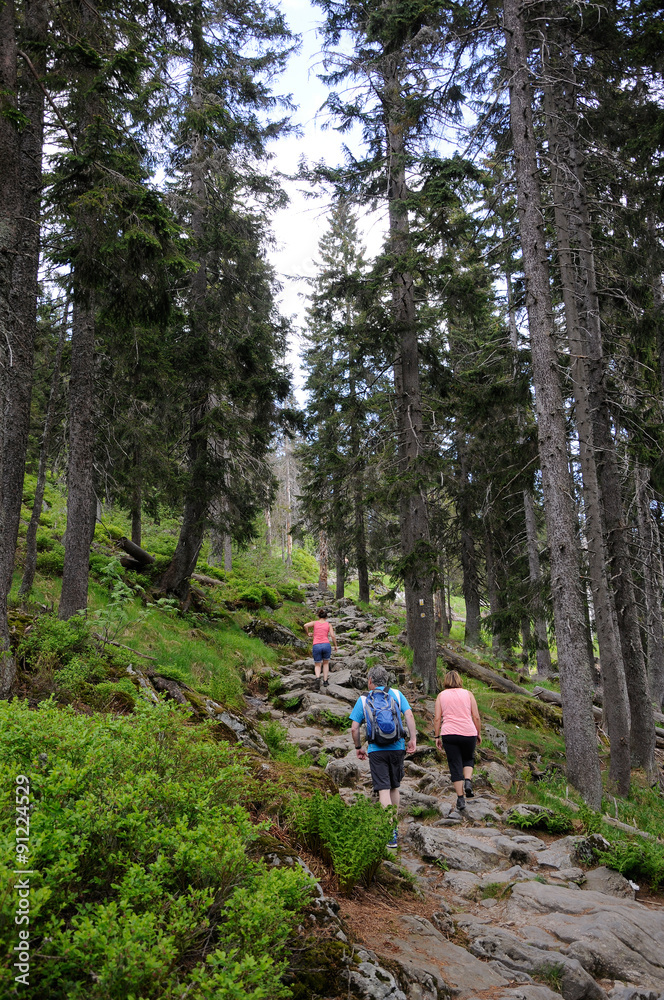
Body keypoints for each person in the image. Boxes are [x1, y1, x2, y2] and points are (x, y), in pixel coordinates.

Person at [349, 665, 417, 849]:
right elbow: (409, 715)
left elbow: (354, 727)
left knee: (383, 790)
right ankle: (393, 826)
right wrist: (413, 739)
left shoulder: (363, 699)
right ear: (386, 680)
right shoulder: (396, 694)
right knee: (395, 787)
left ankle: (390, 833)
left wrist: (358, 747)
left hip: (376, 750)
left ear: (370, 681)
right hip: (397, 747)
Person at [434, 669, 482, 813]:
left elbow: (437, 718)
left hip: (449, 734)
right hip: (468, 732)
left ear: (446, 681)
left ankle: (460, 798)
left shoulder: (441, 695)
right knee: (468, 758)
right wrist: (478, 733)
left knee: (454, 764)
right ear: (459, 680)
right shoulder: (468, 694)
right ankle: (468, 780)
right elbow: (476, 717)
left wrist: (436, 736)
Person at [304, 607, 338, 689]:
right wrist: (335, 645)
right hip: (326, 645)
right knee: (326, 663)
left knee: (317, 664)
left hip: (316, 645)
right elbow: (332, 636)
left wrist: (308, 633)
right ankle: (325, 681)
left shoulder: (315, 623)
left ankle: (317, 678)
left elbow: (305, 625)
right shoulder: (328, 624)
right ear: (326, 617)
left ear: (318, 616)